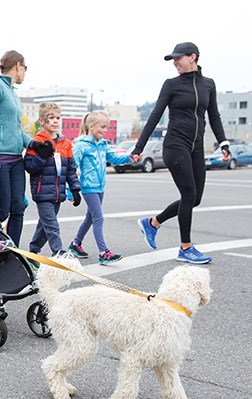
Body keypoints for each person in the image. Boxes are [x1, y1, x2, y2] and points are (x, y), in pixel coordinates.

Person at [133, 42, 231, 264]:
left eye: (179, 58)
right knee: (188, 195)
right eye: (173, 59)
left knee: (195, 199)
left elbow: (214, 116)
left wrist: (223, 143)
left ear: (193, 57)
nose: (175, 62)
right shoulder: (171, 85)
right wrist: (139, 147)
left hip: (196, 146)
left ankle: (153, 223)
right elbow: (155, 115)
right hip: (175, 145)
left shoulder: (208, 84)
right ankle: (185, 248)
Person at [0, 50, 54, 247]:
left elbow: (16, 129)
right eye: (25, 70)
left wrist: (34, 144)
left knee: (18, 208)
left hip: (16, 158)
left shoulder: (13, 91)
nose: (24, 75)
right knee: (2, 211)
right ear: (18, 66)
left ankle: (14, 253)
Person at [68, 111, 136, 264]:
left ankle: (75, 244)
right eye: (103, 127)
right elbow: (71, 169)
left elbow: (114, 158)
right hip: (88, 187)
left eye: (107, 127)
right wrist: (70, 191)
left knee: (90, 218)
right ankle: (103, 252)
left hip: (100, 187)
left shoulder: (103, 144)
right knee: (98, 218)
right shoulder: (81, 146)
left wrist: (129, 158)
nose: (105, 130)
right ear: (91, 126)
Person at [24, 103, 81, 258]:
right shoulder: (36, 142)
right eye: (51, 118)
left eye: (58, 118)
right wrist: (42, 155)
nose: (56, 121)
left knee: (45, 224)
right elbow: (29, 167)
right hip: (42, 192)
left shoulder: (65, 143)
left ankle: (34, 249)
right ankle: (58, 251)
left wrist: (75, 189)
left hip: (58, 192)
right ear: (42, 121)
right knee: (52, 224)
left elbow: (70, 169)